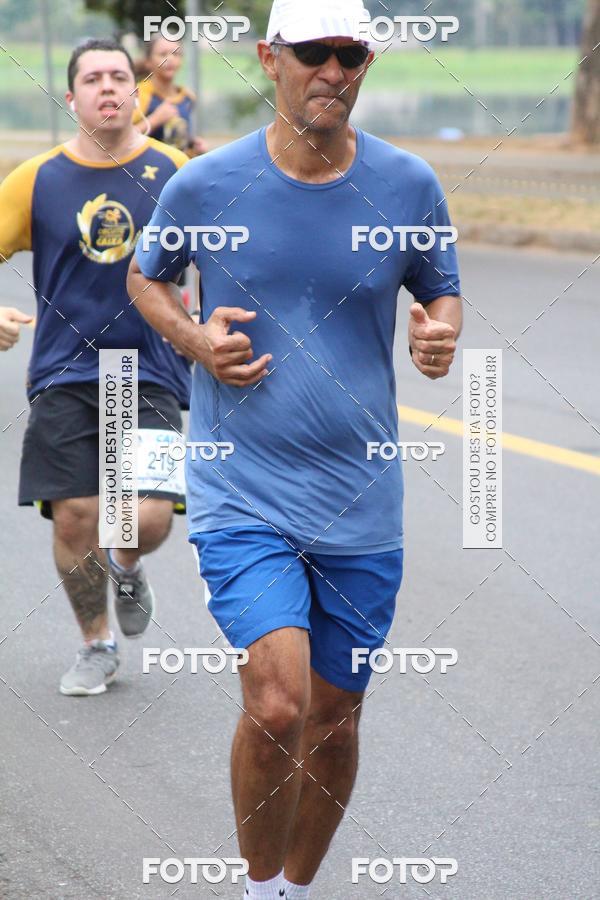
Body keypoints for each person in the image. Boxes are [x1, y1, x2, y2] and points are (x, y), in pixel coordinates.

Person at [129, 0, 463, 896]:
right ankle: (257, 884)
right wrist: (197, 341)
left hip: (362, 499)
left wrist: (438, 337)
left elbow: (439, 289)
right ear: (269, 58)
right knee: (277, 702)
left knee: (337, 719)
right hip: (244, 489)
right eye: (315, 52)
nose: (335, 71)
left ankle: (295, 888)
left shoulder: (409, 185)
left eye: (352, 54)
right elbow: (147, 276)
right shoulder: (206, 185)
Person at [0, 38, 191, 696]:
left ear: (135, 91)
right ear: (72, 96)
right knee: (78, 513)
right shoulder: (37, 179)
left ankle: (128, 564)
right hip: (65, 372)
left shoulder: (177, 173)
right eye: (92, 79)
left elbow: (231, 260)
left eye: (118, 76)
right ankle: (97, 644)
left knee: (149, 515)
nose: (107, 87)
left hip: (151, 369)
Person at [134, 34, 207, 155]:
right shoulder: (137, 94)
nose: (170, 59)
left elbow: (179, 140)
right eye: (163, 54)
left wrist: (194, 145)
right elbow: (121, 140)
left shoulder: (187, 97)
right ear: (148, 61)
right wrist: (154, 120)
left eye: (176, 54)